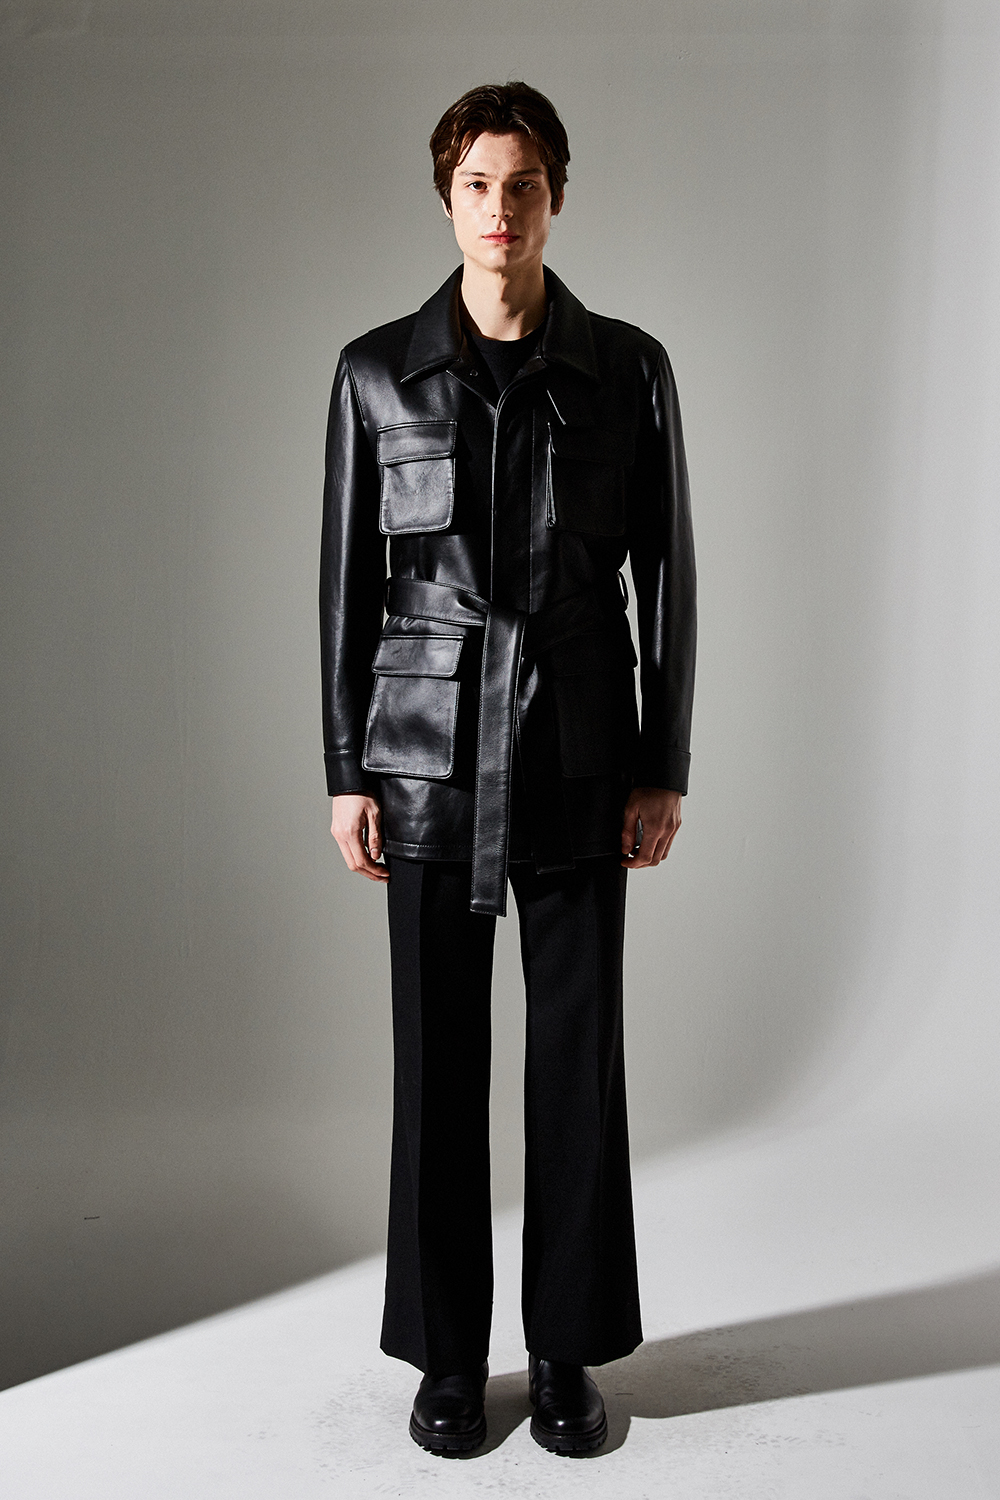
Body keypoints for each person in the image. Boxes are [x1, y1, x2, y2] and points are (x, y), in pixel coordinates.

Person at [320, 81, 695, 1456]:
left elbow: (668, 577)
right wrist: (345, 769)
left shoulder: (628, 368)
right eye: (477, 185)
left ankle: (564, 1352)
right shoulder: (376, 372)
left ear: (557, 197)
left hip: (582, 754)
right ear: (446, 200)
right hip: (423, 760)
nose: (500, 210)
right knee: (436, 1070)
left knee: (576, 1069)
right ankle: (444, 1355)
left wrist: (664, 763)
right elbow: (346, 591)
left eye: (524, 184)